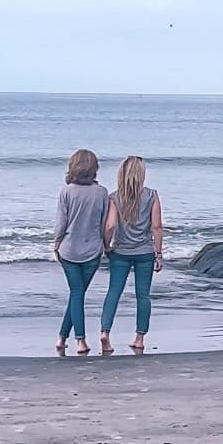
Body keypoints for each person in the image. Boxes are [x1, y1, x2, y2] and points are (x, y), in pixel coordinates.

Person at [99, 156, 163, 354]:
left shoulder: (114, 197)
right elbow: (156, 227)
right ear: (141, 174)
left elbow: (110, 226)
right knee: (143, 296)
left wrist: (106, 245)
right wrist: (158, 253)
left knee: (113, 292)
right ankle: (139, 338)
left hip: (120, 252)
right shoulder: (152, 195)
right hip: (144, 252)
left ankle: (105, 333)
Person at [53, 149, 109, 356]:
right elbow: (104, 223)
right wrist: (106, 245)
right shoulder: (102, 192)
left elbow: (61, 224)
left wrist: (56, 243)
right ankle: (68, 338)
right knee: (78, 294)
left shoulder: (66, 191)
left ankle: (75, 340)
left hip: (69, 250)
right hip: (92, 250)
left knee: (76, 294)